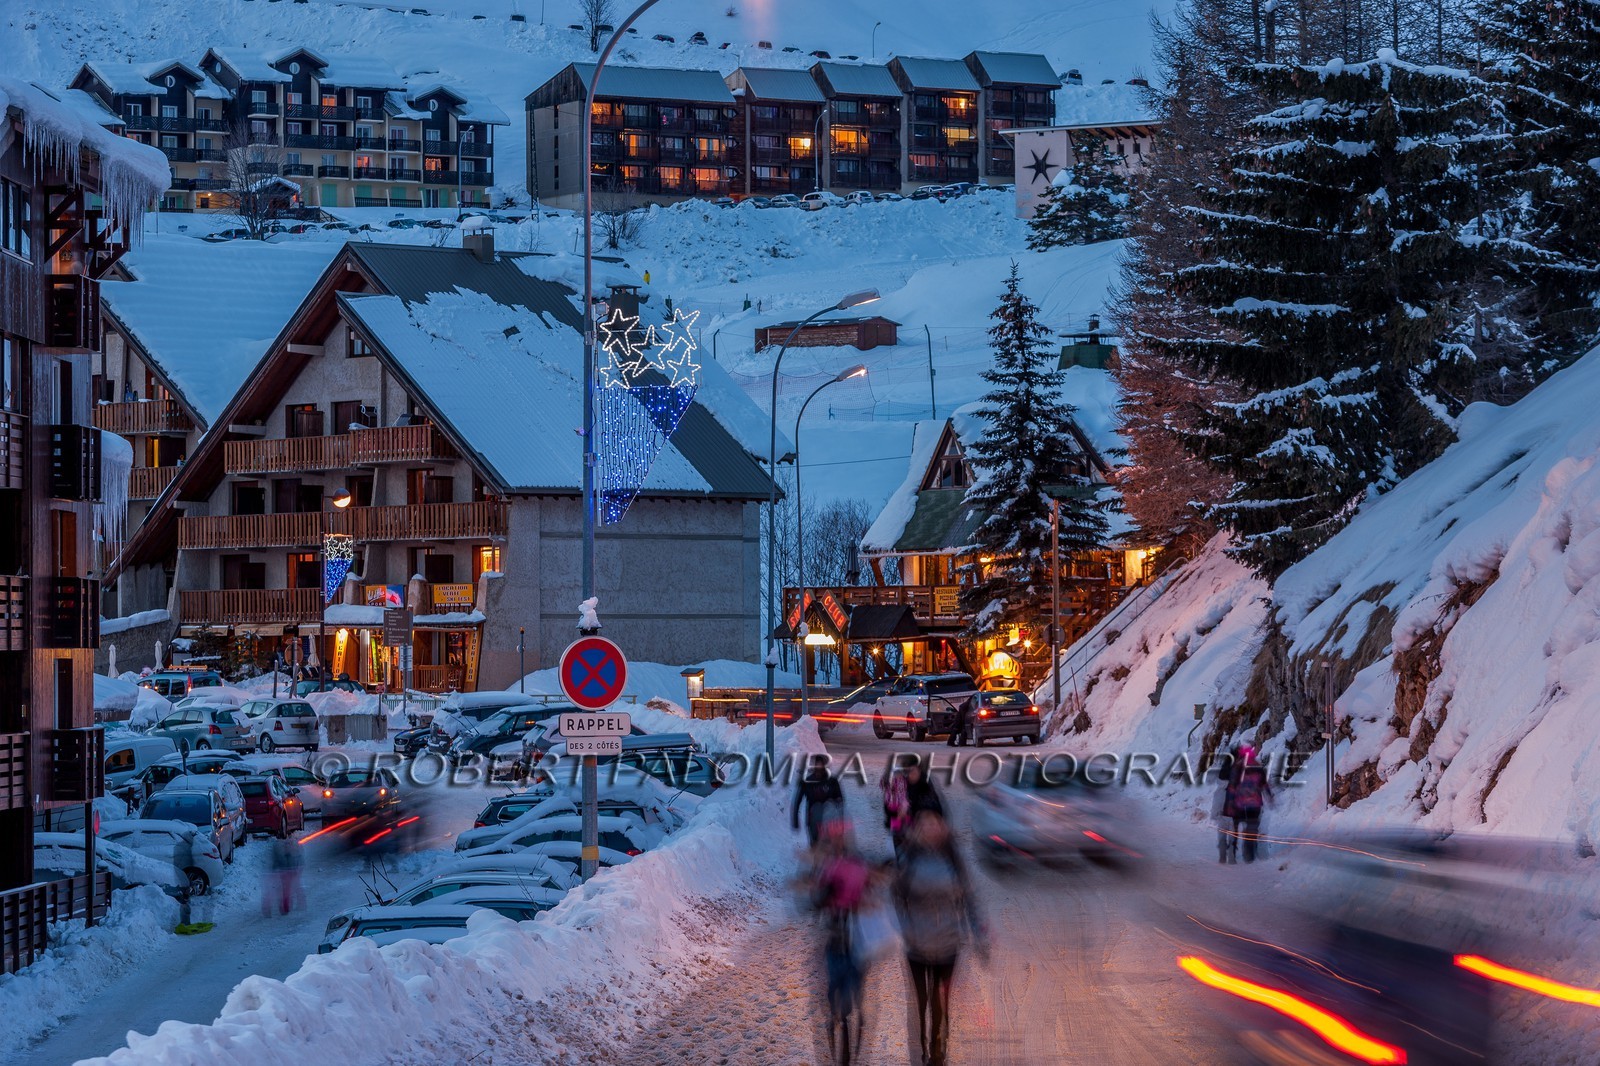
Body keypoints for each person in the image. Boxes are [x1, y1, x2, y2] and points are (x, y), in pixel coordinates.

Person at [892, 811, 986, 1066]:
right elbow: (895, 897)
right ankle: (920, 1051)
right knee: (921, 1003)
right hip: (917, 944)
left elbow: (969, 899)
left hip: (947, 943)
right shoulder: (908, 857)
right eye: (925, 825)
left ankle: (938, 1054)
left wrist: (980, 933)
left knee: (940, 1002)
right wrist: (905, 927)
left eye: (935, 824)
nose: (931, 829)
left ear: (943, 828)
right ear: (918, 830)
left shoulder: (953, 859)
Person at [810, 817, 874, 1064]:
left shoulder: (859, 863)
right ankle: (841, 1025)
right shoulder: (825, 866)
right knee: (835, 992)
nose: (837, 842)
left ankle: (848, 1053)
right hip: (837, 936)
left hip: (857, 936)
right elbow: (814, 902)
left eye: (840, 838)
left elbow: (872, 894)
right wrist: (825, 895)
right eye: (832, 838)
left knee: (850, 993)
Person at [1220, 742, 1272, 863]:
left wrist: (1230, 804)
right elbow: (1264, 784)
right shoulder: (1258, 766)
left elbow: (1232, 787)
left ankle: (1232, 849)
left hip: (1240, 804)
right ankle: (1249, 853)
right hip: (1255, 804)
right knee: (1252, 827)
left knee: (1235, 826)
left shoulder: (1237, 767)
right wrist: (1269, 797)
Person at [882, 756, 944, 854]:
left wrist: (911, 811)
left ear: (919, 770)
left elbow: (933, 807)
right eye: (907, 772)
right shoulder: (900, 782)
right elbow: (888, 806)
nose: (910, 775)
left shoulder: (925, 783)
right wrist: (896, 813)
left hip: (922, 832)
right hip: (901, 830)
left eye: (913, 771)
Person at [794, 754, 845, 847]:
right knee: (815, 842)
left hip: (829, 819)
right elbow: (797, 801)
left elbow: (840, 799)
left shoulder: (832, 781)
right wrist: (795, 820)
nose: (818, 768)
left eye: (821, 765)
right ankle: (816, 855)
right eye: (816, 765)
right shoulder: (807, 782)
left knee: (828, 844)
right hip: (813, 819)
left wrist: (840, 816)